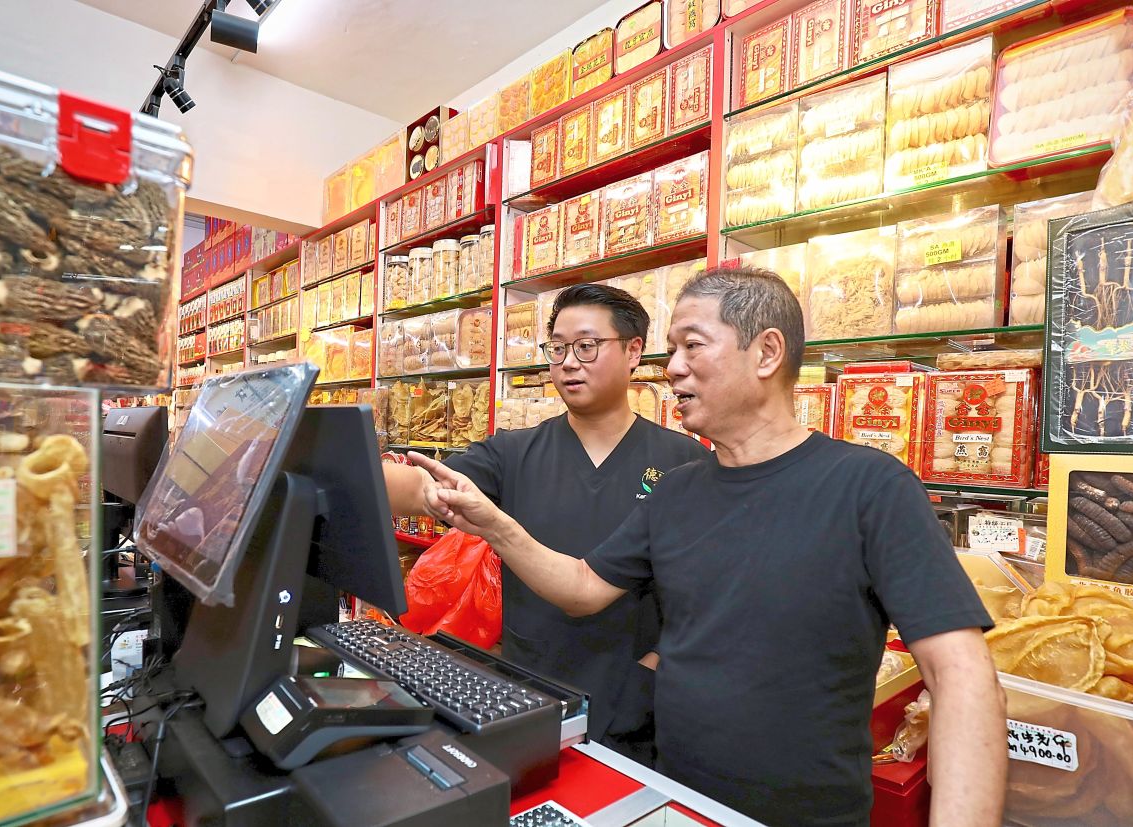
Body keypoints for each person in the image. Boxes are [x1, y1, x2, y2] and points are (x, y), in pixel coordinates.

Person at [406, 268, 1009, 827]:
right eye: (673, 349)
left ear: (767, 353)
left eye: (694, 345)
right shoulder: (676, 491)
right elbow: (585, 589)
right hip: (671, 798)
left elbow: (960, 676)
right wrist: (494, 523)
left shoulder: (870, 487)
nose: (672, 368)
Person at [383, 283, 708, 764]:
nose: (568, 362)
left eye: (586, 346)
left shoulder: (681, 459)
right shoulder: (512, 452)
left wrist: (651, 669)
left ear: (633, 351)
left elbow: (697, 594)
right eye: (557, 348)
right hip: (525, 690)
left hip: (634, 700)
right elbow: (420, 486)